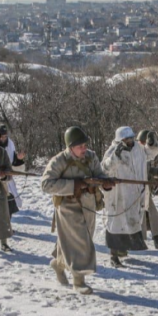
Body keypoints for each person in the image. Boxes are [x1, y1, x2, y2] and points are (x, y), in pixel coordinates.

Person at [41, 126, 114, 294]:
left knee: (83, 238)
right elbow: (46, 185)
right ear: (70, 146)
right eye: (80, 146)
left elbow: (98, 175)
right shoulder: (59, 161)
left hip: (89, 204)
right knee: (80, 242)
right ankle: (78, 280)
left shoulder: (91, 157)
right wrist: (74, 185)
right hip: (67, 206)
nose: (84, 149)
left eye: (85, 145)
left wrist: (106, 183)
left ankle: (59, 263)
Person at [101, 126, 158, 267]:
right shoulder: (112, 151)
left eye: (131, 138)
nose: (130, 141)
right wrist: (115, 157)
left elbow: (150, 154)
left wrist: (152, 144)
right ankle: (113, 256)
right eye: (127, 139)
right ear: (120, 140)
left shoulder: (138, 149)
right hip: (118, 195)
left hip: (134, 193)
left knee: (131, 223)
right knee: (116, 224)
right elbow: (104, 169)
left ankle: (123, 250)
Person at [136, 130, 158, 249]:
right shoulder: (134, 154)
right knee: (138, 217)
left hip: (145, 191)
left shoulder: (145, 154)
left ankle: (157, 239)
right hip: (135, 192)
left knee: (153, 214)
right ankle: (138, 241)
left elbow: (149, 170)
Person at [0, 124, 26, 218]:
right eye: (1, 136)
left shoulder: (10, 144)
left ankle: (7, 227)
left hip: (7, 179)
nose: (3, 138)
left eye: (5, 136)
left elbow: (13, 161)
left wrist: (19, 159)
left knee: (9, 202)